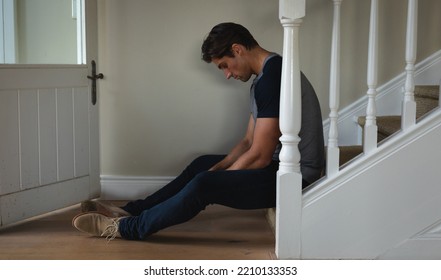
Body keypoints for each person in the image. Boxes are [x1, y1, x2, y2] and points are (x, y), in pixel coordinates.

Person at [72, 22, 325, 241]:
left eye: (225, 65)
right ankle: (132, 210)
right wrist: (220, 167)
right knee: (201, 165)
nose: (227, 74)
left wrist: (220, 180)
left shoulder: (273, 77)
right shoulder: (265, 77)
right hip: (278, 166)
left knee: (205, 183)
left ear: (237, 49)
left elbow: (259, 155)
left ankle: (128, 229)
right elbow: (249, 141)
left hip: (296, 177)